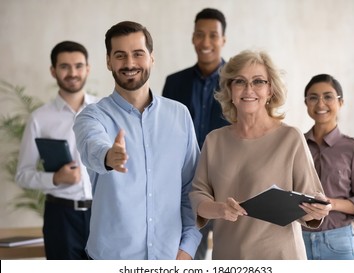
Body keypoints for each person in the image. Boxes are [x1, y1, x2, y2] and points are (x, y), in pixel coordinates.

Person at [73, 21, 201, 260]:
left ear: (151, 58)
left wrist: (188, 248)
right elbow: (92, 145)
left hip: (170, 260)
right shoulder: (92, 116)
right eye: (120, 55)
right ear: (108, 61)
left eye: (138, 54)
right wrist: (109, 156)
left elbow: (191, 189)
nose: (130, 63)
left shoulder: (179, 115)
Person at [189, 50, 332, 260]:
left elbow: (310, 200)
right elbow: (197, 195)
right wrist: (219, 210)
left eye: (258, 81)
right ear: (229, 88)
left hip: (281, 258)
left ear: (270, 90)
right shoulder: (214, 140)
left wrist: (316, 209)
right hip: (229, 258)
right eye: (240, 81)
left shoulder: (290, 138)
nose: (249, 89)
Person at [15, 41, 99, 259]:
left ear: (88, 69)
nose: (73, 73)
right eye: (64, 66)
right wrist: (56, 178)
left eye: (79, 66)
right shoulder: (39, 118)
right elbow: (23, 175)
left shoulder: (104, 112)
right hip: (60, 218)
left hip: (103, 214)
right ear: (53, 71)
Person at [162, 7, 229, 260]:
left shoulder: (238, 82)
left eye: (213, 35)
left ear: (223, 40)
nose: (206, 42)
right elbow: (164, 134)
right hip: (185, 187)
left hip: (228, 186)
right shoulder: (174, 82)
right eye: (200, 35)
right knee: (187, 256)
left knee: (230, 256)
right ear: (192, 38)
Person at [301, 74, 354, 260]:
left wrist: (332, 204)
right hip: (298, 241)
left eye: (328, 96)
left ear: (341, 102)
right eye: (313, 97)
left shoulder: (353, 149)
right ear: (306, 103)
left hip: (338, 242)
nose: (320, 104)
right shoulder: (296, 145)